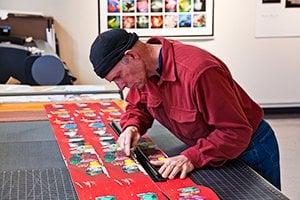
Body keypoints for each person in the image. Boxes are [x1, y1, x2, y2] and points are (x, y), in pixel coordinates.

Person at [89, 29, 281, 189]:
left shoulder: (200, 72)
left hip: (250, 148)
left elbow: (235, 132)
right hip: (210, 147)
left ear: (131, 56)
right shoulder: (145, 72)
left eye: (118, 76)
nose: (120, 86)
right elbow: (138, 106)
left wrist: (191, 157)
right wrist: (132, 126)